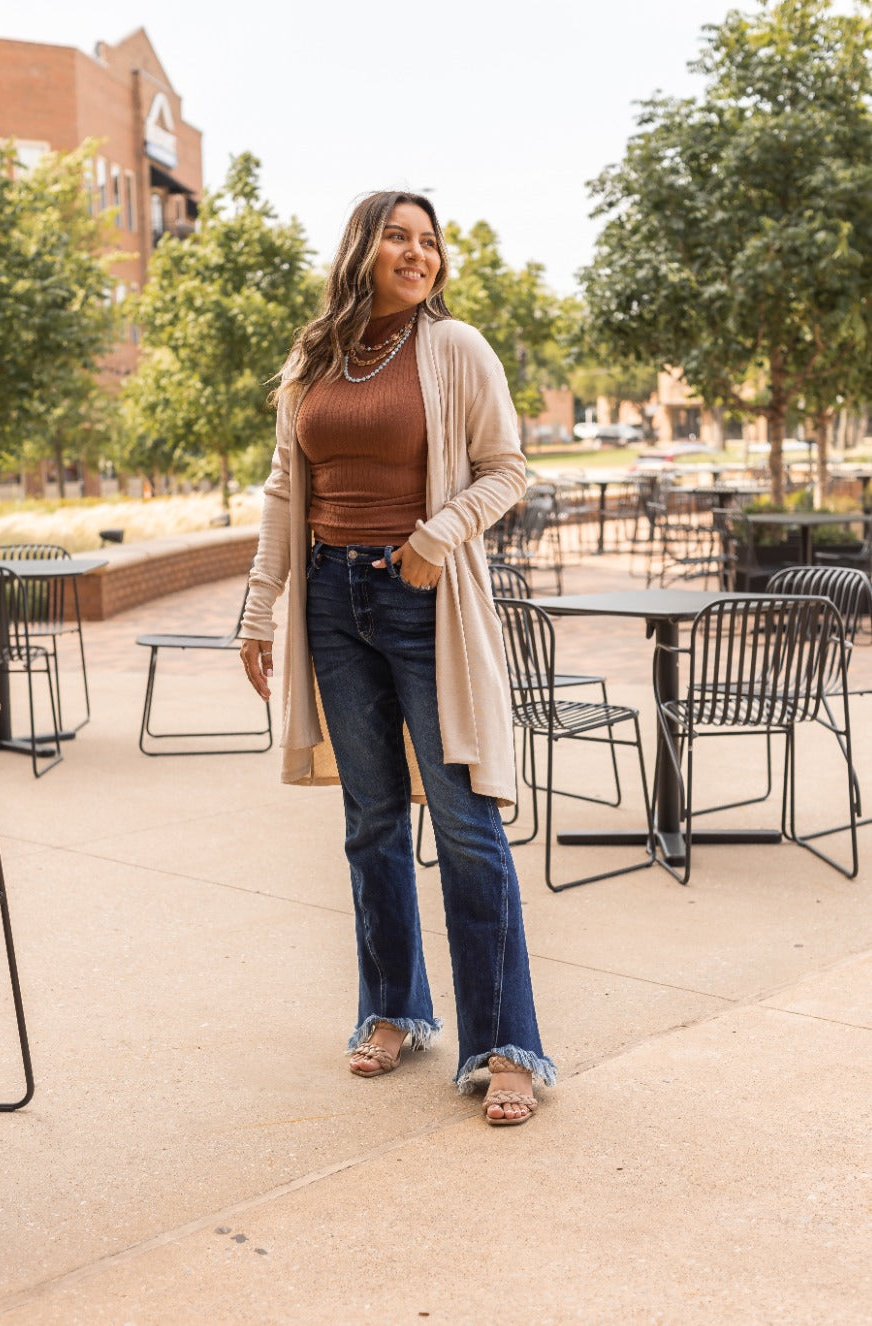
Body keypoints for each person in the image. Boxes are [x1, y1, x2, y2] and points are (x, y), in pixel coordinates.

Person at [240, 190, 556, 1126]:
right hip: (331, 601)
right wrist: (261, 610)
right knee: (371, 817)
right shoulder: (315, 356)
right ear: (363, 249)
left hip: (420, 597)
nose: (417, 254)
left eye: (430, 242)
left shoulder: (456, 349)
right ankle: (392, 1009)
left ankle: (506, 1046)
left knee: (464, 824)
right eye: (398, 237)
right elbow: (280, 488)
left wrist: (436, 537)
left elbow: (507, 468)